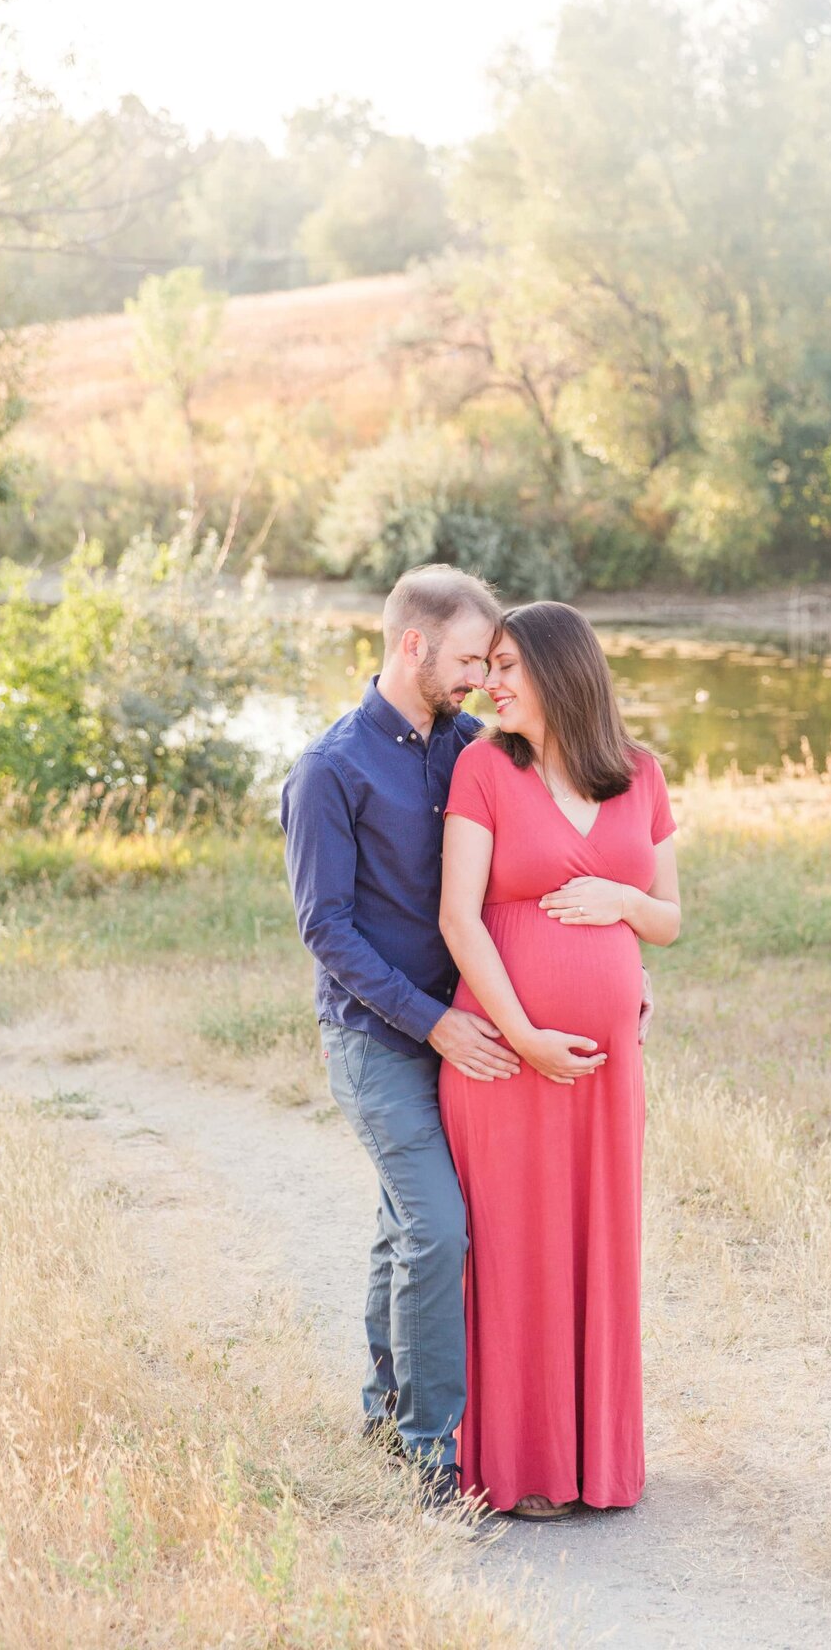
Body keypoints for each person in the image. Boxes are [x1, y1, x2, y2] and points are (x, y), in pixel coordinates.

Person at [439, 600, 681, 1518]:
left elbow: (668, 918)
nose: (488, 684)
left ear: (560, 672)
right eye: (486, 665)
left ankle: (597, 1462)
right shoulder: (482, 770)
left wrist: (619, 897)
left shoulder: (640, 773)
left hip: (609, 1069)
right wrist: (527, 1036)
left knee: (596, 1244)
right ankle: (527, 1466)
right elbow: (459, 917)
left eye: (506, 667)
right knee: (515, 1249)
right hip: (505, 1057)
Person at [279, 564, 512, 1505]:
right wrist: (436, 1023)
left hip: (462, 1036)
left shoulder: (475, 749)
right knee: (436, 1230)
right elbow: (325, 929)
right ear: (412, 644)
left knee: (400, 1227)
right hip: (377, 1044)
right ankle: (428, 1453)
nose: (478, 679)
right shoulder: (328, 770)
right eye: (466, 658)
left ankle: (382, 1409)